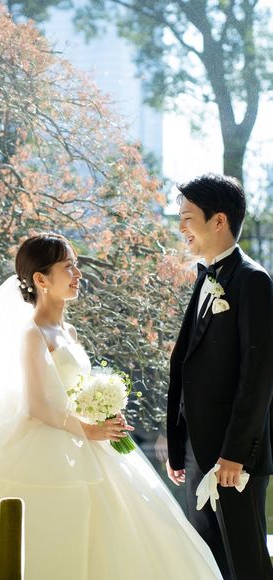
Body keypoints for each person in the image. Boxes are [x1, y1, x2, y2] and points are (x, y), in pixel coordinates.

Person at [0, 233, 222, 579]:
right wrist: (87, 429)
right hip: (47, 444)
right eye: (68, 267)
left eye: (75, 265)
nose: (78, 273)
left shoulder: (69, 332)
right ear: (41, 279)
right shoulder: (32, 334)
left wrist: (102, 412)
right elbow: (35, 405)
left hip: (82, 441)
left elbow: (72, 392)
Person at [166, 174, 273, 580]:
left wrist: (236, 453)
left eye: (187, 217)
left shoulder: (252, 280)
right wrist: (178, 444)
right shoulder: (204, 278)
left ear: (219, 220)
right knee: (207, 566)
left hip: (232, 460)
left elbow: (258, 376)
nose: (181, 227)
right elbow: (188, 364)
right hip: (198, 454)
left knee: (246, 567)